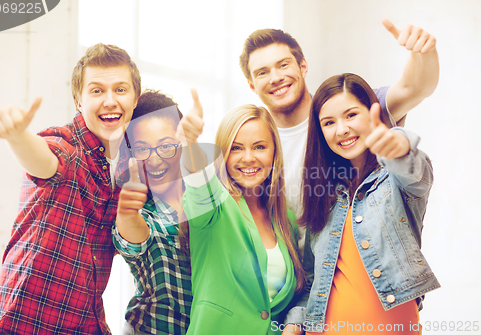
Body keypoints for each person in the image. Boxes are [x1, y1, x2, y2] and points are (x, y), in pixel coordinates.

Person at [0, 43, 141, 335]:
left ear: (135, 99)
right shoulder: (68, 145)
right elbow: (46, 159)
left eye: (120, 89)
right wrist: (18, 137)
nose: (110, 100)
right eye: (97, 90)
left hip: (85, 320)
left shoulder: (126, 167)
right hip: (27, 322)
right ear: (79, 101)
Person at [239, 19, 438, 221]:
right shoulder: (253, 144)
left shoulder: (348, 112)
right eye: (262, 72)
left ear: (303, 66)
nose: (275, 78)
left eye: (283, 65)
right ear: (253, 86)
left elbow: (413, 89)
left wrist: (423, 53)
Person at [292, 73, 440, 334]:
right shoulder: (322, 195)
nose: (341, 129)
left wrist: (399, 147)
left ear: (372, 114)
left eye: (351, 115)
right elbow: (313, 281)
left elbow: (415, 171)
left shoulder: (395, 180)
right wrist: (293, 324)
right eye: (328, 122)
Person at [177, 101, 305, 335]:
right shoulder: (216, 204)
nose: (248, 158)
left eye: (259, 147)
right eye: (236, 148)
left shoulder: (286, 220)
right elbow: (199, 189)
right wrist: (191, 146)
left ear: (274, 151)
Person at [112, 89, 192, 335]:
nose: (155, 160)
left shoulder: (205, 198)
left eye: (166, 146)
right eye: (142, 149)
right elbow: (133, 239)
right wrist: (126, 213)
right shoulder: (144, 214)